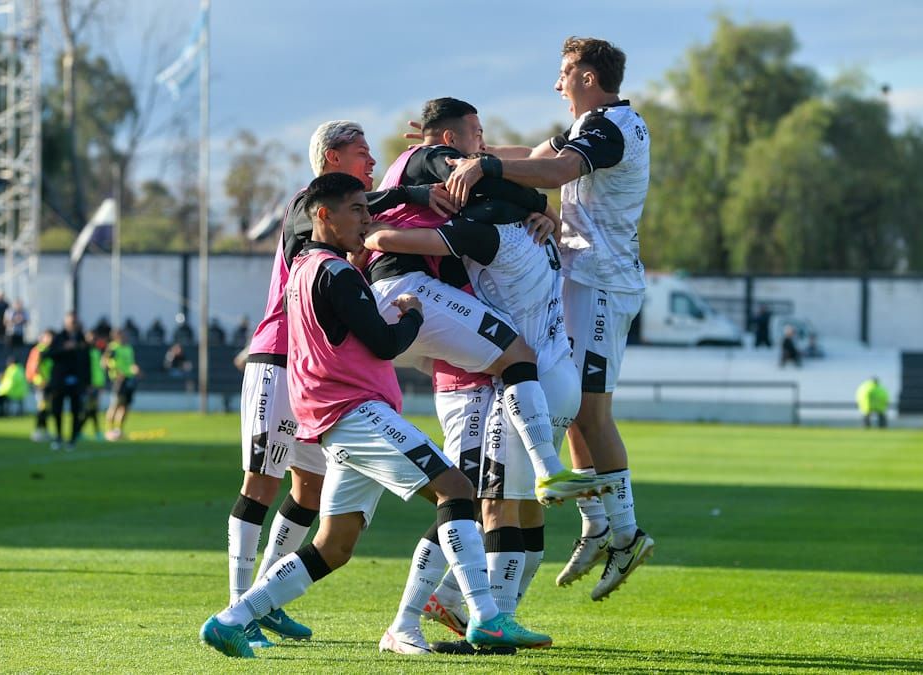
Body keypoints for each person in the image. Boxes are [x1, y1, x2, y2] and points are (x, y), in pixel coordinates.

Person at [200, 173, 541, 659]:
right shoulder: (334, 272)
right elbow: (385, 344)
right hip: (355, 414)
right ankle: (486, 616)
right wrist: (412, 314)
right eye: (357, 210)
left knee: (334, 546)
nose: (367, 219)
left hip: (339, 419)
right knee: (457, 488)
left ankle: (232, 618)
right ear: (324, 215)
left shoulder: (304, 269)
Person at [223, 118, 457, 648]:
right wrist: (418, 184)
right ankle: (235, 606)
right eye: (361, 152)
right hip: (280, 357)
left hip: (319, 371)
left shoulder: (347, 219)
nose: (372, 163)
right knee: (261, 483)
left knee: (307, 490)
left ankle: (265, 598)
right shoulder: (309, 209)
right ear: (331, 160)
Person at [444, 36, 656, 600]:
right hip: (587, 278)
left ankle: (626, 532)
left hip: (603, 284)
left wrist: (484, 164)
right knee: (578, 404)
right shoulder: (601, 125)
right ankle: (596, 523)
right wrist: (459, 160)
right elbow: (536, 159)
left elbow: (556, 172)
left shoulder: (609, 128)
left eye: (564, 74)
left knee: (592, 409)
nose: (558, 86)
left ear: (588, 76)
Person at [367, 98, 583, 651]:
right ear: (446, 138)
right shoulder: (434, 164)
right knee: (478, 496)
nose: (480, 150)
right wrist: (539, 200)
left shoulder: (442, 192)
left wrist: (541, 205)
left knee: (476, 497)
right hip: (464, 373)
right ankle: (467, 614)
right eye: (475, 136)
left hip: (473, 365)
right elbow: (487, 182)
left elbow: (497, 179)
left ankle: (459, 614)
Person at [48, 313, 90, 450]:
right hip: (60, 380)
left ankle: (72, 439)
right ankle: (58, 437)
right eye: (70, 322)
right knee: (57, 410)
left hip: (76, 381)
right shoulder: (59, 338)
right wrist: (64, 348)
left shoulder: (81, 338)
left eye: (74, 322)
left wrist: (87, 382)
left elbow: (86, 361)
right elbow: (50, 354)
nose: (73, 324)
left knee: (76, 411)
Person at [103, 329, 139, 440]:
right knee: (115, 405)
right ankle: (108, 431)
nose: (125, 336)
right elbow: (105, 362)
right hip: (119, 381)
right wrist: (116, 371)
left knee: (125, 407)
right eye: (122, 334)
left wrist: (135, 369)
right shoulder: (113, 347)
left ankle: (118, 430)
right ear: (116, 336)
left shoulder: (128, 348)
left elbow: (131, 363)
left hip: (130, 379)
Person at [26, 330, 54, 441]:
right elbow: (35, 367)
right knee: (42, 407)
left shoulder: (47, 350)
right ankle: (37, 431)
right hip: (41, 383)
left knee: (46, 408)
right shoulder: (40, 350)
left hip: (46, 383)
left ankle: (45, 431)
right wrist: (43, 379)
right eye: (48, 337)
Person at [82, 330, 107, 440]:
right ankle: (80, 431)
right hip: (89, 385)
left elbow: (98, 369)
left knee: (93, 410)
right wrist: (87, 383)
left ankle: (92, 431)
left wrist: (101, 384)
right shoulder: (84, 351)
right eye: (90, 337)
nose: (92, 339)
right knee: (88, 409)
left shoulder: (97, 351)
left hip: (97, 384)